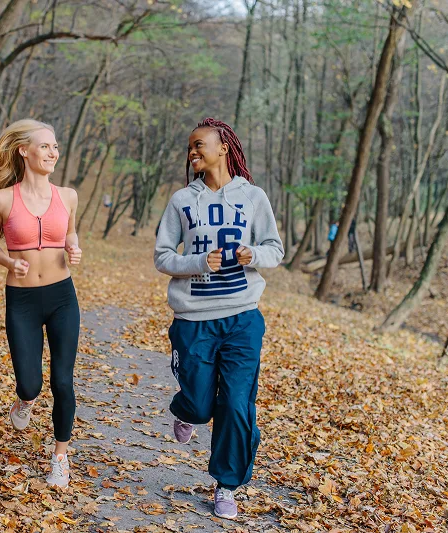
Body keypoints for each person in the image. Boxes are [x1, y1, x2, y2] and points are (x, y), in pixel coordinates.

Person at [154, 118, 284, 519]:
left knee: (237, 402)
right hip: (194, 319)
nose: (193, 152)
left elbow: (274, 250)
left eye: (200, 145)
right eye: (190, 147)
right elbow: (162, 256)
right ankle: (187, 412)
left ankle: (226, 486)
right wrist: (196, 262)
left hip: (243, 317)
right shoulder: (181, 201)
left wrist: (253, 255)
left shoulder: (253, 197)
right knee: (198, 401)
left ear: (224, 147)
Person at [0, 119, 82, 488]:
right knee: (29, 384)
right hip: (22, 298)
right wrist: (9, 261)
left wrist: (73, 247)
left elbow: (70, 233)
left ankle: (60, 456)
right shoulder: (2, 199)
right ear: (25, 151)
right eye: (45, 146)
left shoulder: (68, 195)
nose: (53, 152)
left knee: (63, 381)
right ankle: (24, 401)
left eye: (56, 146)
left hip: (61, 297)